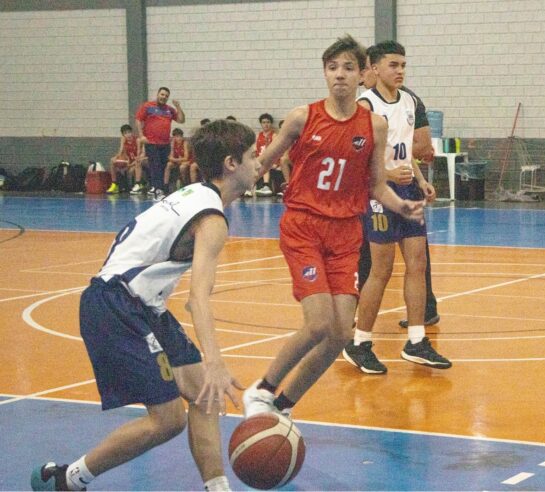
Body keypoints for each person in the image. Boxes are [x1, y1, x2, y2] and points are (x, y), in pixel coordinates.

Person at [31, 119, 259, 492]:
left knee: (204, 395)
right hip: (115, 302)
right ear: (232, 163)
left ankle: (217, 488)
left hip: (140, 303)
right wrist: (216, 360)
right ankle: (68, 480)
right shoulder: (212, 219)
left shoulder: (197, 193)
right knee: (168, 420)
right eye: (252, 155)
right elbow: (197, 299)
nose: (259, 161)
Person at [241, 36, 425, 419]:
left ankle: (283, 405)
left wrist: (402, 205)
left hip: (345, 233)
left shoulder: (373, 125)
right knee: (321, 322)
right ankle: (263, 388)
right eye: (332, 68)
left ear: (362, 75)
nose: (339, 75)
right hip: (304, 226)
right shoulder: (302, 117)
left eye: (347, 68)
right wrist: (217, 196)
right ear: (325, 74)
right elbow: (262, 164)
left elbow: (376, 184)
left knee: (342, 333)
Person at [343, 40, 451, 374]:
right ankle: (359, 342)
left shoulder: (408, 101)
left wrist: (418, 178)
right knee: (382, 268)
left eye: (403, 65)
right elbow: (352, 156)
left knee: (417, 263)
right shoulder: (365, 105)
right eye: (393, 65)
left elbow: (403, 148)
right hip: (377, 190)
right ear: (374, 69)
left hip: (407, 190)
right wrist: (388, 172)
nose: (400, 70)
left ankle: (416, 340)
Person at [135, 87, 185, 200]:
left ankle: (159, 189)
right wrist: (141, 135)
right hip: (151, 143)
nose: (164, 97)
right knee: (155, 166)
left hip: (165, 144)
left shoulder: (170, 110)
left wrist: (178, 107)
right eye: (162, 94)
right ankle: (158, 191)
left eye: (166, 96)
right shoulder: (148, 106)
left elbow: (181, 120)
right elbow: (138, 119)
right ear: (158, 94)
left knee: (162, 167)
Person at [107, 124, 145, 194]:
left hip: (137, 160)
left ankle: (139, 184)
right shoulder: (123, 140)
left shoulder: (137, 140)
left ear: (132, 132)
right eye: (125, 133)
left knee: (132, 170)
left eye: (129, 132)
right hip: (130, 161)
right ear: (123, 135)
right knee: (112, 160)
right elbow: (121, 151)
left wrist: (130, 165)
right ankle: (114, 183)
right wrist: (116, 157)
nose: (128, 135)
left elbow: (139, 155)